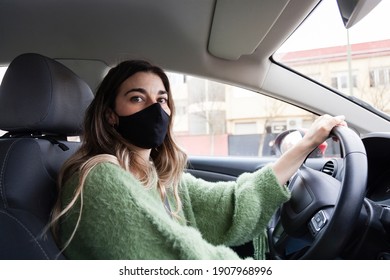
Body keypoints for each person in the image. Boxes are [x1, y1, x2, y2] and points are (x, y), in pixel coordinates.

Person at [50, 59, 346, 260]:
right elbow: (180, 260)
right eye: (137, 98)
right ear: (110, 115)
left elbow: (229, 205)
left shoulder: (157, 178)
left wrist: (306, 144)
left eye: (162, 99)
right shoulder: (99, 178)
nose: (155, 109)